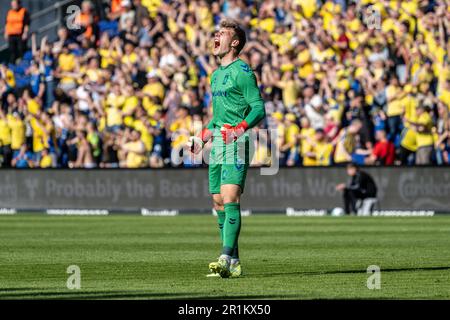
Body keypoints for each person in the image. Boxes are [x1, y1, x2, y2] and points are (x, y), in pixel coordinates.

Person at [187, 19, 265, 278]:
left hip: (237, 141)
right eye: (216, 32)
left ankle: (224, 256)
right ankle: (233, 263)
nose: (215, 36)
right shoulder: (216, 74)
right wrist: (202, 137)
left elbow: (258, 107)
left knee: (230, 198)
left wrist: (240, 129)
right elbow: (217, 116)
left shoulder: (242, 71)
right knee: (219, 202)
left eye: (222, 33)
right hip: (219, 143)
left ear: (234, 43)